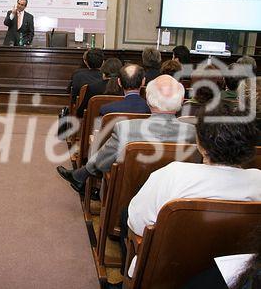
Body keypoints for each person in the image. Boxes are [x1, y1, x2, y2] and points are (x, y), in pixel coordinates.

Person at [125, 105, 261, 278]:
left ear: (201, 144)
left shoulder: (173, 174)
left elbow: (136, 223)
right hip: (236, 275)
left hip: (165, 271)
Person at [57, 75, 196, 194]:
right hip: (175, 192)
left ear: (148, 98)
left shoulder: (126, 128)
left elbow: (102, 163)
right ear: (182, 99)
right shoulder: (194, 132)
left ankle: (80, 175)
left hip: (128, 192)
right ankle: (79, 175)